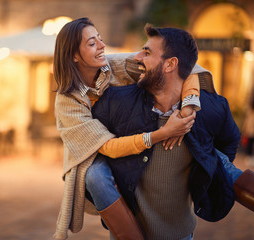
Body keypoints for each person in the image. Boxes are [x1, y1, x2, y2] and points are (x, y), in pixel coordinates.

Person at [53, 17, 214, 240]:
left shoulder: (114, 65)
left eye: (100, 38)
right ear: (73, 55)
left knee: (210, 150)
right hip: (93, 152)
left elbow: (188, 67)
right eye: (92, 43)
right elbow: (107, 147)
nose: (102, 45)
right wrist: (164, 133)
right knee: (95, 176)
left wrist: (188, 106)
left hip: (131, 140)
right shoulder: (67, 101)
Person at [91, 23, 254, 239]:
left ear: (170, 64)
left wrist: (201, 175)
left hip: (182, 235)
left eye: (147, 53)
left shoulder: (213, 108)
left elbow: (227, 146)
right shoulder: (116, 102)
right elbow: (91, 149)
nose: (137, 58)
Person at [242, 98, 254, 166]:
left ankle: (249, 157)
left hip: (250, 131)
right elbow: (247, 122)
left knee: (250, 145)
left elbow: (246, 122)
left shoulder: (249, 112)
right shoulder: (250, 112)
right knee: (250, 145)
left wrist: (244, 130)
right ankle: (249, 157)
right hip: (250, 131)